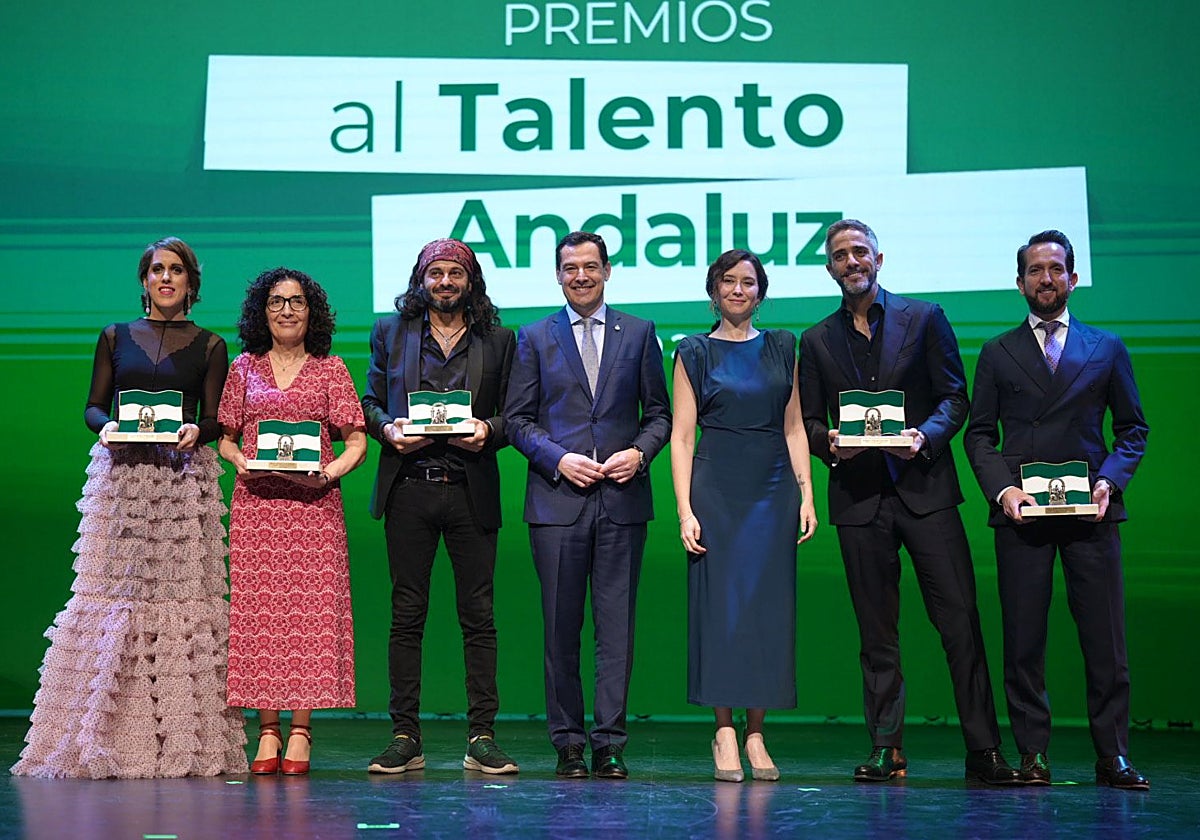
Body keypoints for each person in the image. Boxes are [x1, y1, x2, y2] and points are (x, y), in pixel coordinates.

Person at [12, 236, 248, 779]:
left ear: (192, 283)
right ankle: (99, 731)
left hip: (178, 482)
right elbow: (93, 408)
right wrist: (109, 426)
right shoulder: (115, 336)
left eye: (177, 271)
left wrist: (198, 430)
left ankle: (180, 739)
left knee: (178, 599)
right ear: (144, 281)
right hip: (121, 483)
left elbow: (214, 420)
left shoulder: (211, 345)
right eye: (157, 270)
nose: (166, 278)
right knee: (113, 595)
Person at [799, 219, 1018, 785]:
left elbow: (954, 397)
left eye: (860, 252)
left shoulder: (925, 318)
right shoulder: (817, 339)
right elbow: (810, 420)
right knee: (876, 634)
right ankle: (886, 748)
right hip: (858, 500)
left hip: (926, 492)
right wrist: (830, 445)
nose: (852, 262)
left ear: (879, 258)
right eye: (840, 255)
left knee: (961, 625)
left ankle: (983, 749)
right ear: (829, 268)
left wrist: (924, 435)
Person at [963, 230, 1150, 790]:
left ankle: (1112, 755)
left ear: (1073, 277)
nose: (1046, 278)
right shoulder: (997, 352)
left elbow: (1133, 429)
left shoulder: (1107, 346)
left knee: (1105, 641)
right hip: (1023, 517)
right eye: (1035, 270)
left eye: (1056, 268)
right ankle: (1033, 755)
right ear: (1019, 281)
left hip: (1091, 515)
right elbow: (978, 436)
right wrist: (1004, 491)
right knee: (1023, 642)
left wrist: (1109, 484)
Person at [505, 231, 671, 779]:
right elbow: (518, 421)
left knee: (616, 629)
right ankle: (569, 743)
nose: (581, 275)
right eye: (570, 267)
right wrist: (558, 459)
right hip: (557, 502)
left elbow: (660, 416)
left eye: (591, 266)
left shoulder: (641, 333)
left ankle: (609, 742)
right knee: (560, 628)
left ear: (607, 271)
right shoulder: (532, 336)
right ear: (557, 275)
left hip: (622, 501)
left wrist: (639, 454)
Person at [361, 239, 518, 775]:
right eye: (436, 274)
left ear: (470, 281)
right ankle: (405, 735)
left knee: (479, 617)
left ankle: (482, 737)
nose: (445, 282)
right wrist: (387, 429)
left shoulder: (499, 339)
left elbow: (517, 413)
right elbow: (370, 401)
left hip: (471, 487)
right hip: (409, 485)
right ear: (420, 280)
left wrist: (489, 429)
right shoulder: (391, 332)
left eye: (455, 273)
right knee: (407, 616)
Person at [670, 250, 818, 783]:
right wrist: (684, 508)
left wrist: (806, 494)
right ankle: (724, 730)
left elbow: (795, 427)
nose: (738, 290)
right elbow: (682, 436)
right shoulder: (693, 351)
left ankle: (757, 732)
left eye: (748, 282)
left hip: (773, 488)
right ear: (713, 290)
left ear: (761, 290)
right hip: (717, 490)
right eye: (728, 282)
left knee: (767, 610)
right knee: (721, 609)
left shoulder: (783, 345)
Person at [218, 267, 366, 775]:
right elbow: (227, 437)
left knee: (307, 617)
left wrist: (327, 474)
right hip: (258, 507)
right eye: (277, 301)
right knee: (260, 616)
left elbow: (357, 441)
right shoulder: (243, 368)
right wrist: (238, 461)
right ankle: (267, 729)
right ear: (263, 311)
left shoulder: (332, 369)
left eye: (297, 301)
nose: (286, 310)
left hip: (314, 509)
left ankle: (300, 730)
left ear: (312, 311)